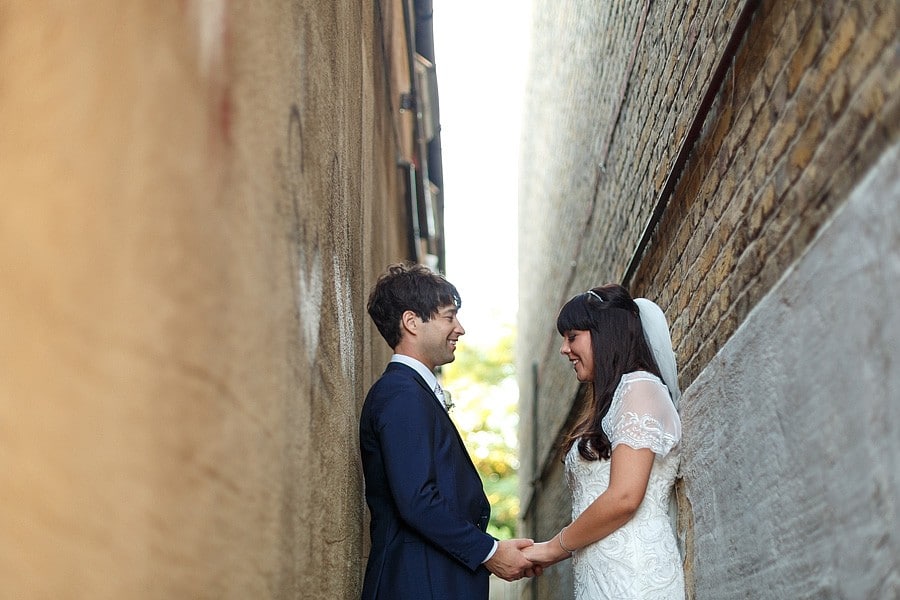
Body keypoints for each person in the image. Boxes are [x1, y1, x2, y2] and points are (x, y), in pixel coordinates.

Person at [359, 262, 537, 599]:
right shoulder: (402, 395)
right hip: (418, 586)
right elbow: (417, 500)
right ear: (412, 322)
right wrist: (490, 552)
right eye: (449, 316)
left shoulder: (411, 392)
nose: (460, 329)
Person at [523, 284, 685, 599]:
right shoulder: (616, 399)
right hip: (604, 578)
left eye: (572, 337)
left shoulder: (639, 389)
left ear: (604, 334)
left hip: (635, 580)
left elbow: (625, 496)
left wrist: (552, 548)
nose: (564, 349)